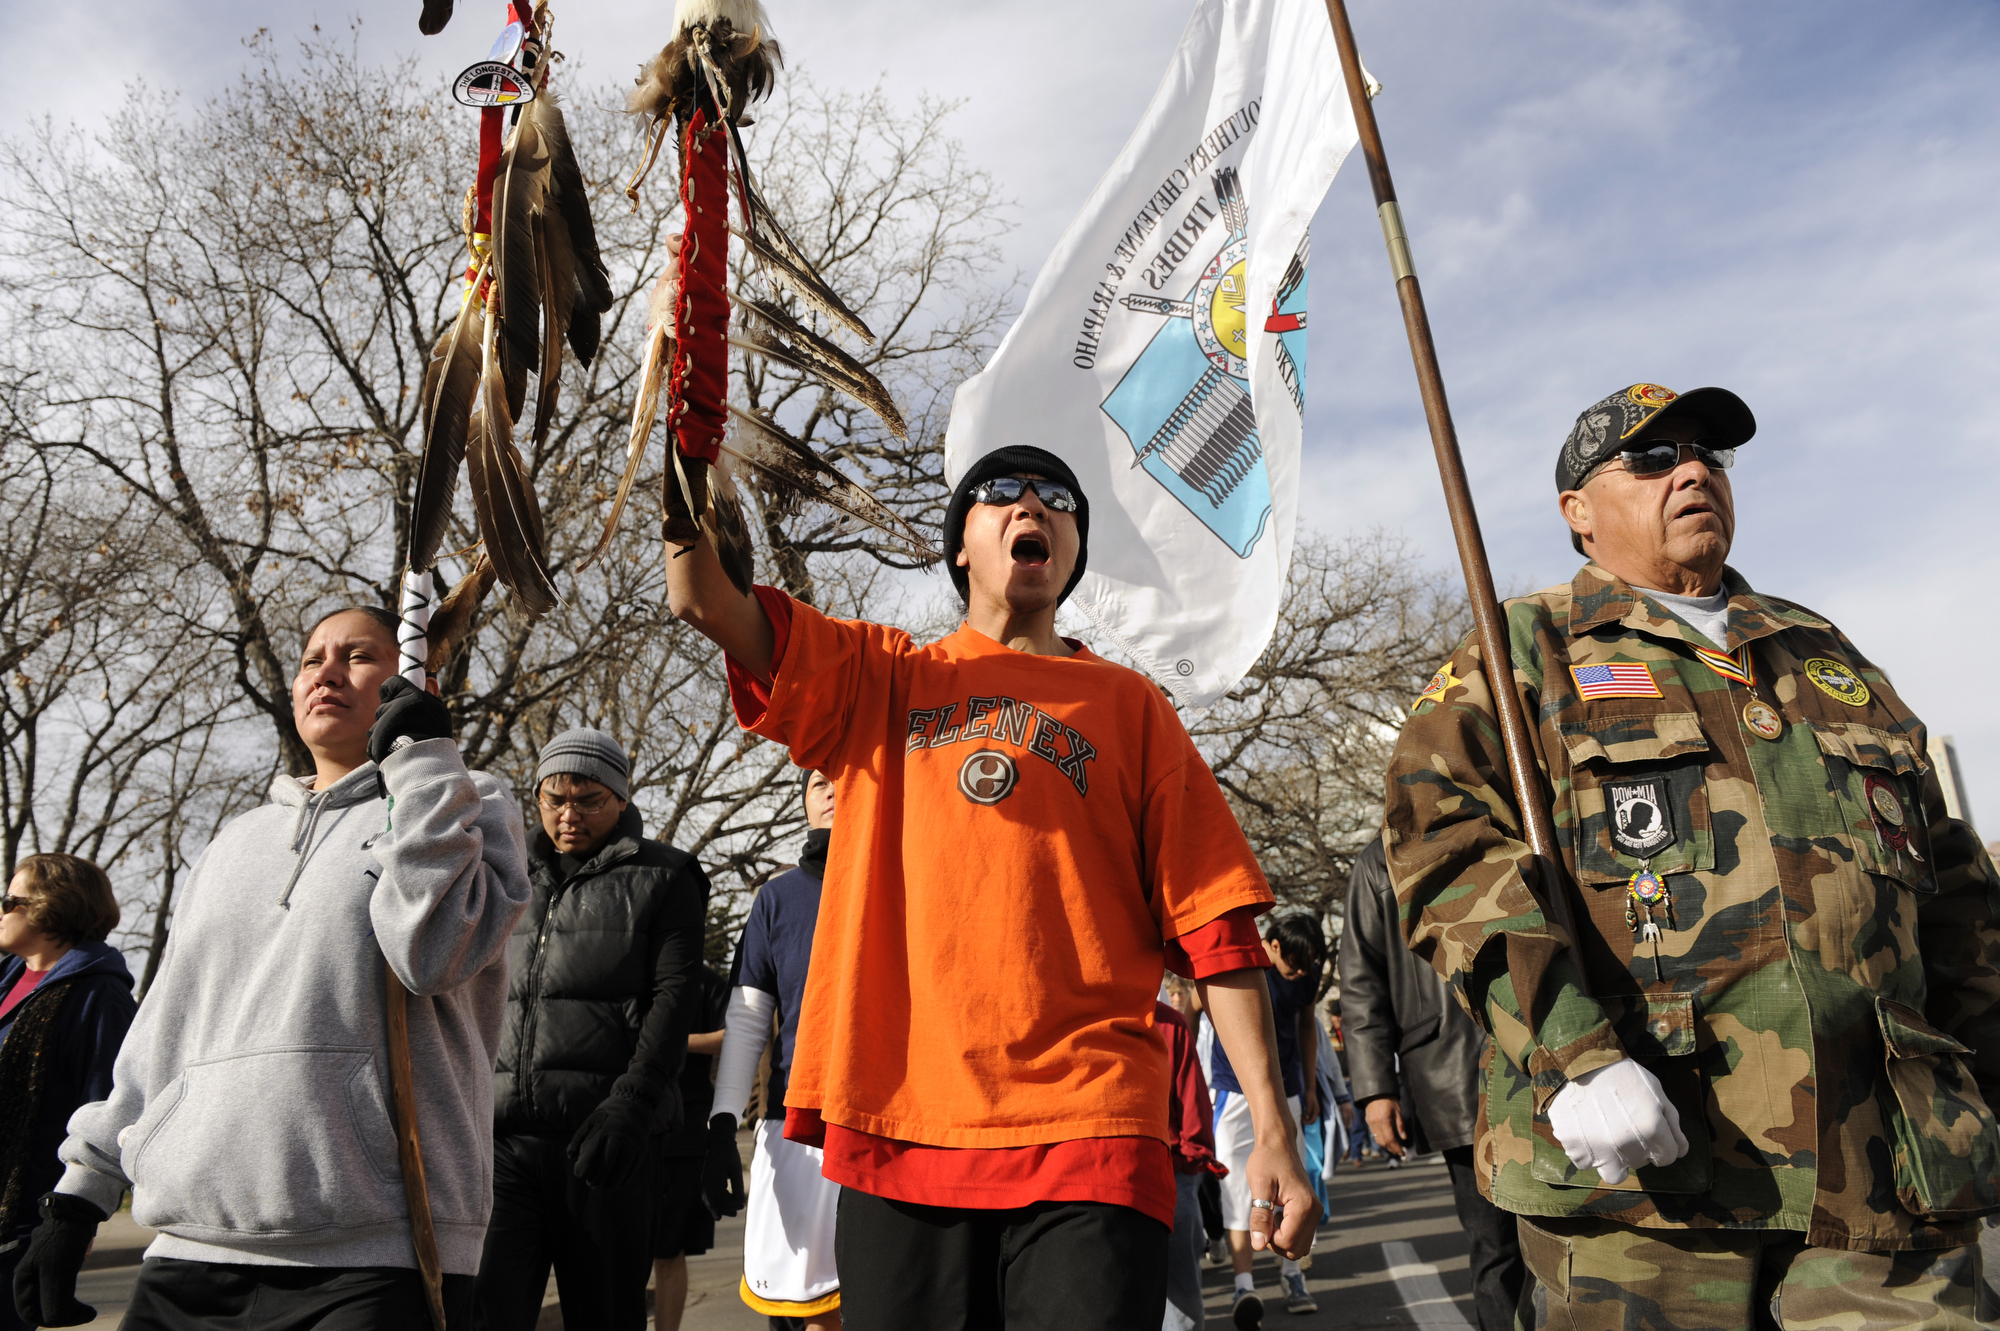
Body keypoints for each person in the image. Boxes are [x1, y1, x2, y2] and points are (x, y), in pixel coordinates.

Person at [1384, 383, 2000, 1330]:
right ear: (1577, 514)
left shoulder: (1823, 655)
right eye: (1651, 457)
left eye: (1709, 453)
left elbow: (1954, 897)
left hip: (1883, 1170)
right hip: (1652, 1185)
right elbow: (1447, 853)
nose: (1693, 470)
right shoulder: (1522, 650)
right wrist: (1573, 1055)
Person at [666, 445, 1318, 1330]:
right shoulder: (881, 680)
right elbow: (705, 598)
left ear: (1073, 549)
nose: (1031, 506)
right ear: (961, 546)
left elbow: (1216, 930)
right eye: (999, 493)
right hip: (902, 1128)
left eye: (1058, 497)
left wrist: (1274, 1128)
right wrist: (686, 437)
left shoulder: (1132, 709)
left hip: (1089, 1129)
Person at [15, 604, 531, 1329]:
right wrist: (79, 1193)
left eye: (357, 656)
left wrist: (422, 769)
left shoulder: (476, 803)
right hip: (190, 1246)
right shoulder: (235, 840)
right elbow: (168, 1028)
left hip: (380, 1252)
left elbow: (433, 953)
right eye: (312, 657)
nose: (327, 670)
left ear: (414, 678)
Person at [475, 728, 712, 1331]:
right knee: (484, 1314)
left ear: (623, 801)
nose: (568, 814)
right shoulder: (506, 876)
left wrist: (631, 1105)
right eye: (554, 799)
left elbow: (674, 1000)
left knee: (605, 1317)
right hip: (504, 1144)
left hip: (608, 1143)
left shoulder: (667, 876)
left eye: (589, 800)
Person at [1339, 834, 1523, 1331]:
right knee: (1497, 1244)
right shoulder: (1379, 860)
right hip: (1450, 1073)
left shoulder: (1511, 816)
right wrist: (1376, 1090)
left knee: (1567, 1233)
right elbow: (1361, 979)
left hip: (1540, 1057)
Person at [707, 768, 844, 1329]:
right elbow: (748, 1018)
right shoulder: (777, 898)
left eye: (845, 774)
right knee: (811, 1313)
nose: (832, 789)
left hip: (901, 1127)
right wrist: (722, 1121)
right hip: (801, 1125)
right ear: (805, 803)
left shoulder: (916, 876)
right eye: (817, 783)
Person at [0, 854, 136, 1331]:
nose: (1, 911)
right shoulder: (7, 981)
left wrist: (75, 1216)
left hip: (18, 1225)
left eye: (8, 901)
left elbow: (108, 1108)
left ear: (48, 908)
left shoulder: (99, 995)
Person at [1207, 914, 1322, 1321]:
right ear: (1271, 947)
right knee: (1235, 1186)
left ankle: (1293, 1273)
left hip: (1287, 1088)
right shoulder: (1245, 964)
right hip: (1232, 1091)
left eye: (1309, 963)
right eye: (1294, 961)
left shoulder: (1307, 975)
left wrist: (1310, 1086)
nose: (1302, 971)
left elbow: (1308, 1027)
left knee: (1291, 1182)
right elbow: (1192, 1005)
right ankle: (1244, 1285)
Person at [653, 961, 729, 1331]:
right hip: (629, 1129)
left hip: (686, 1131)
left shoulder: (707, 982)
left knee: (669, 1251)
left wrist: (672, 1041)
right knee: (621, 1255)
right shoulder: (634, 969)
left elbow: (735, 1035)